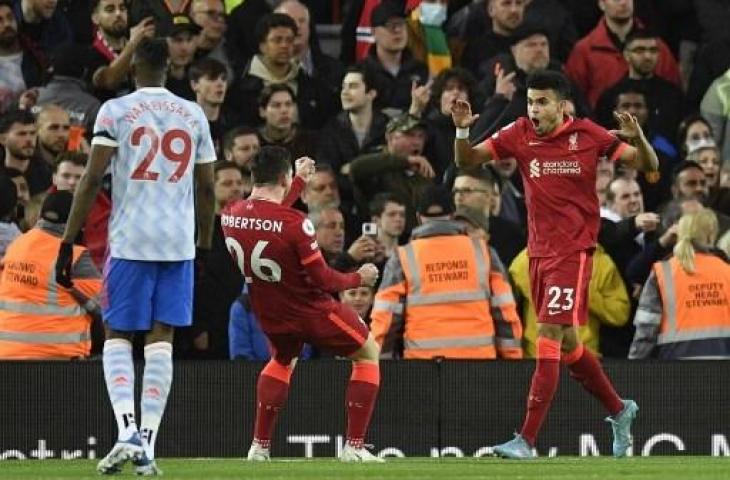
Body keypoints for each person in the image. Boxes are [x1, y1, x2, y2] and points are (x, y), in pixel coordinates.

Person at [451, 70, 658, 458]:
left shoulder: (588, 135)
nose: (534, 109)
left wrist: (639, 137)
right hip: (538, 253)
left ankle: (526, 439)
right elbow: (467, 162)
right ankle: (620, 409)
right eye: (530, 101)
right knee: (569, 347)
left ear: (562, 105)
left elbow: (648, 164)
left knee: (547, 332)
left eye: (542, 102)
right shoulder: (519, 132)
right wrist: (462, 131)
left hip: (573, 251)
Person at [53, 38, 217, 475]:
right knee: (162, 339)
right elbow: (207, 188)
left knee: (118, 334)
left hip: (131, 241)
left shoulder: (116, 111)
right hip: (178, 243)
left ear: (132, 69)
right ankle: (148, 447)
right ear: (169, 68)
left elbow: (90, 179)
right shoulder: (194, 113)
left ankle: (127, 429)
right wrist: (202, 242)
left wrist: (68, 240)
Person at [220, 146, 384, 463]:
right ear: (283, 176)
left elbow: (266, 217)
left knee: (282, 361)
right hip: (310, 308)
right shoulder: (297, 222)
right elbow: (323, 279)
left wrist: (297, 184)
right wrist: (358, 277)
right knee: (368, 353)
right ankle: (354, 447)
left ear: (253, 177)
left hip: (269, 311)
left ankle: (259, 446)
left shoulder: (231, 214)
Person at [0, 190, 102, 359]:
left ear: (41, 216)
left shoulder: (16, 245)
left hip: (6, 357)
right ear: (80, 221)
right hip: (57, 361)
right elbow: (103, 308)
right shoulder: (75, 257)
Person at [629, 209, 730, 359]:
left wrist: (633, 368)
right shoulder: (726, 271)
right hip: (723, 371)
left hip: (676, 371)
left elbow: (646, 328)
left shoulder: (663, 272)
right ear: (711, 236)